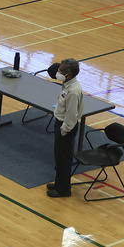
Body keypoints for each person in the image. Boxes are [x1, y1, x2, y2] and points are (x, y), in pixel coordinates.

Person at [47, 58, 84, 198]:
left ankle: (63, 190)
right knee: (59, 157)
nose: (58, 72)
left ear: (69, 74)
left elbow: (71, 114)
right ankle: (58, 183)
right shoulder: (67, 84)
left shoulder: (73, 91)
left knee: (64, 159)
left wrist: (65, 129)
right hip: (61, 124)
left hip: (66, 128)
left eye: (61, 71)